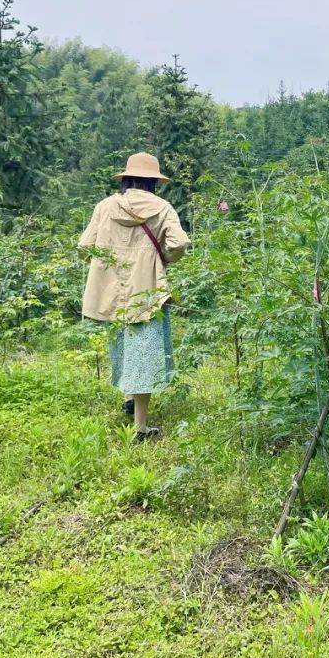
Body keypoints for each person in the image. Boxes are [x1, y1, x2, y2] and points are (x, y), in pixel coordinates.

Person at [78, 152, 190, 442]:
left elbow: (84, 245)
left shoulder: (105, 206)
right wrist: (162, 258)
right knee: (145, 353)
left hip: (112, 291)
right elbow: (179, 243)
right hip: (147, 290)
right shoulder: (162, 208)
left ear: (127, 178)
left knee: (123, 346)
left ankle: (129, 399)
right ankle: (140, 429)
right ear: (153, 182)